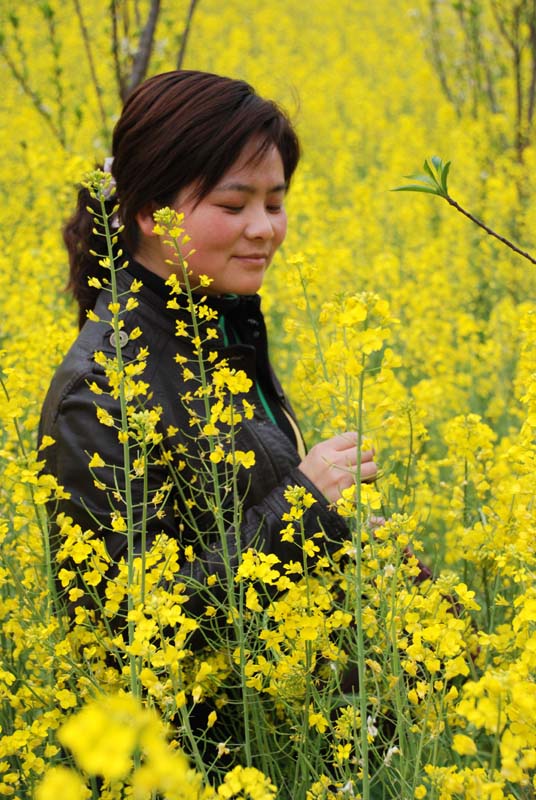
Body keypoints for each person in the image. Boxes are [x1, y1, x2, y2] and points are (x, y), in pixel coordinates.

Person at [39, 69, 378, 632]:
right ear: (150, 212)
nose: (263, 229)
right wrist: (305, 508)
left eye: (274, 204)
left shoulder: (218, 330)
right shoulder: (100, 391)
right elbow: (128, 626)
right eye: (233, 205)